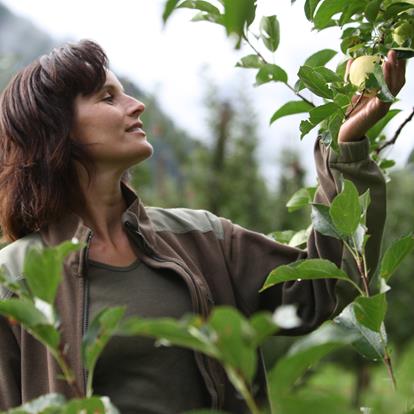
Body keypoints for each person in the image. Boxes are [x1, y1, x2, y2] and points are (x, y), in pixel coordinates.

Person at [0, 39, 405, 413]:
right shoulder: (14, 278)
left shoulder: (200, 237)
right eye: (108, 97)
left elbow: (321, 287)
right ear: (58, 130)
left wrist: (346, 150)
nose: (137, 105)